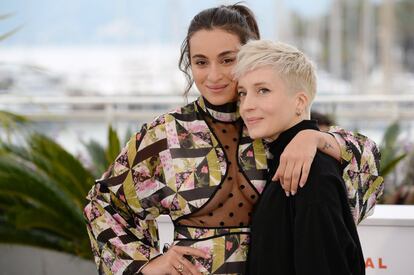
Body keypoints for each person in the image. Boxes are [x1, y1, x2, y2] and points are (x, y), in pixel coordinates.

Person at [84, 4, 383, 275]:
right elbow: (103, 204)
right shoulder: (165, 134)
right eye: (200, 62)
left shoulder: (268, 124)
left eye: (227, 60)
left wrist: (314, 138)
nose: (213, 75)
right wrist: (148, 264)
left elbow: (368, 159)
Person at [236, 40, 366, 275]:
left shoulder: (311, 173)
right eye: (242, 93)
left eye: (262, 90)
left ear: (300, 102)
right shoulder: (283, 161)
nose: (246, 105)